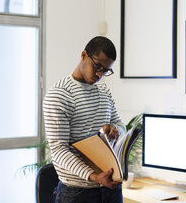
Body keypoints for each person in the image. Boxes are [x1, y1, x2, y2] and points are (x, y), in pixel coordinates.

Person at [43, 36, 126, 203]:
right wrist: (95, 176)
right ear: (83, 55)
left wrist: (115, 129)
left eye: (105, 70)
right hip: (77, 194)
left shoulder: (103, 90)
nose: (99, 74)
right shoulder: (59, 95)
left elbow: (121, 125)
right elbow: (59, 150)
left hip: (111, 190)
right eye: (97, 66)